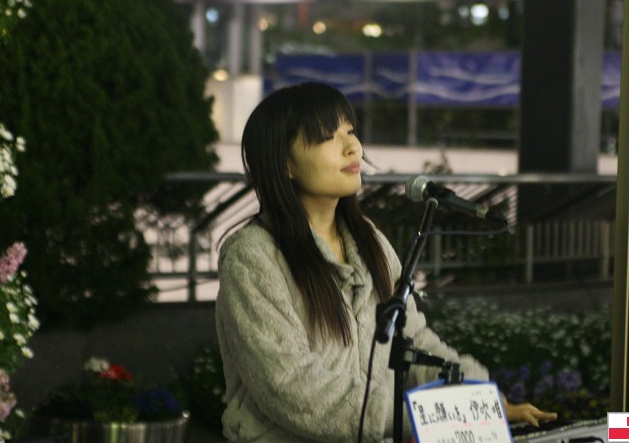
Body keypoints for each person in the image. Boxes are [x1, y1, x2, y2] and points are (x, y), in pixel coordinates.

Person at [215, 82, 556, 442]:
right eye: (328, 137)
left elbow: (413, 341)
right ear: (285, 164)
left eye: (350, 131)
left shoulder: (369, 240)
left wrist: (478, 401)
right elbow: (291, 387)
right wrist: (425, 417)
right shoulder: (252, 257)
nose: (353, 147)